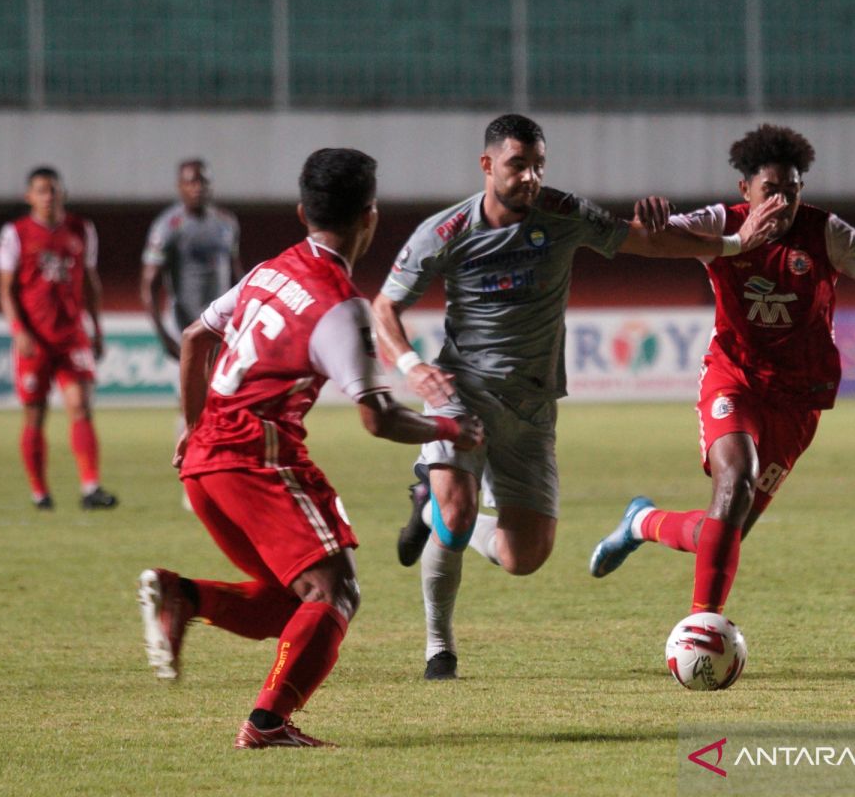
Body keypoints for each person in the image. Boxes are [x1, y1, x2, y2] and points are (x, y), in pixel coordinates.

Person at [372, 114, 785, 679]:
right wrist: (412, 366)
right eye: (519, 165)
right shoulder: (445, 232)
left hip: (532, 406)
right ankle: (438, 647)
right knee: (460, 509)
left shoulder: (563, 214)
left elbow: (641, 240)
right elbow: (383, 308)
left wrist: (736, 243)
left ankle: (430, 510)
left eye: (539, 164)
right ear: (488, 165)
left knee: (525, 556)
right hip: (460, 390)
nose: (532, 177)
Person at [136, 148, 483, 750]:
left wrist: (195, 430)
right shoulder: (340, 305)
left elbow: (196, 338)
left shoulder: (268, 269)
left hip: (206, 465)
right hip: (257, 460)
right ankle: (268, 722)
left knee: (291, 602)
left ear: (303, 212)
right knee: (336, 592)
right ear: (370, 218)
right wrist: (450, 431)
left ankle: (185, 596)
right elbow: (377, 419)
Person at [588, 124, 855, 622]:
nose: (782, 201)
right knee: (737, 481)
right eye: (771, 190)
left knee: (725, 533)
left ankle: (643, 522)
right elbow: (653, 238)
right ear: (746, 189)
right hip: (734, 377)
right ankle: (704, 624)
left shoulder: (827, 233)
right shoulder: (723, 223)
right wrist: (653, 218)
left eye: (792, 189)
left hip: (800, 397)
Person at [0, 166, 118, 510]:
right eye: (41, 190)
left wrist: (96, 327)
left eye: (53, 190)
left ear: (63, 193)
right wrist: (18, 331)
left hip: (71, 335)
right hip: (34, 337)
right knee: (35, 414)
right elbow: (6, 290)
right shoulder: (15, 233)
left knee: (80, 405)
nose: (48, 196)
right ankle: (40, 493)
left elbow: (90, 282)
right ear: (29, 196)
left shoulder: (81, 229)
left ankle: (91, 488)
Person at [140, 158, 243, 360]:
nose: (198, 188)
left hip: (222, 322)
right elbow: (149, 283)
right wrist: (163, 335)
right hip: (186, 325)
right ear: (180, 186)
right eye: (191, 182)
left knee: (222, 387)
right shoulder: (167, 227)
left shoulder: (226, 222)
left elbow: (235, 274)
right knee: (194, 389)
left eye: (203, 182)